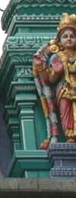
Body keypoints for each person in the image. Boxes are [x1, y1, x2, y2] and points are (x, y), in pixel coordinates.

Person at [34, 13, 76, 149]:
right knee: (66, 111)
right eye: (65, 36)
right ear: (59, 41)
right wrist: (56, 72)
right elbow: (50, 79)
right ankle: (70, 137)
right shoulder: (57, 57)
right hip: (64, 89)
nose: (69, 39)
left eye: (72, 36)